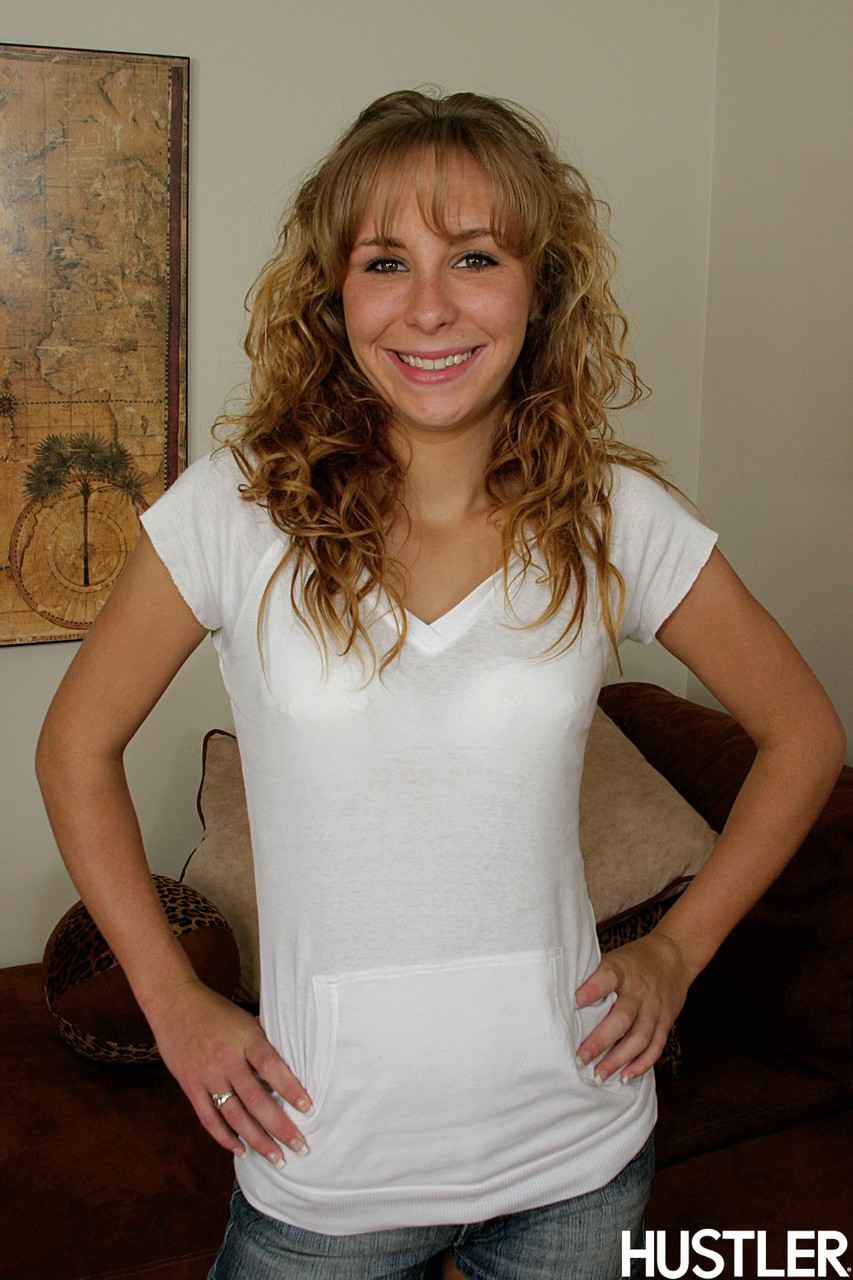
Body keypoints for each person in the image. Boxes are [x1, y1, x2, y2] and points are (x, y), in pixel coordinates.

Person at [36, 90, 844, 1280]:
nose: (428, 306)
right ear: (334, 293)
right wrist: (172, 1000)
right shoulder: (233, 510)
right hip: (323, 1173)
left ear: (538, 287)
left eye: (474, 256)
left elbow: (803, 734)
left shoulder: (613, 516)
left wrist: (677, 949)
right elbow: (73, 748)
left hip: (577, 1161)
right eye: (384, 261)